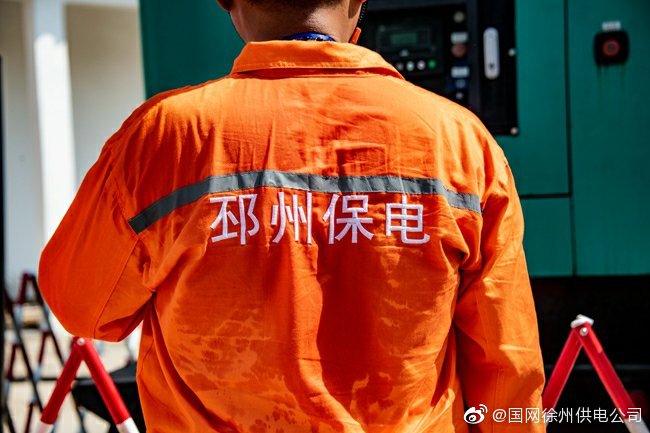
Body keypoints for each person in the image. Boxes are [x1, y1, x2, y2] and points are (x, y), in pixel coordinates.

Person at [38, 0, 546, 432]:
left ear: (228, 3)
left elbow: (81, 307)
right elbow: (508, 364)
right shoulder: (458, 143)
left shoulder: (163, 138)